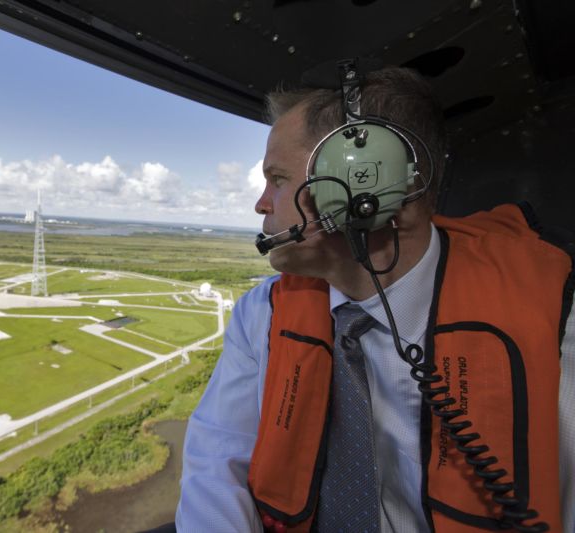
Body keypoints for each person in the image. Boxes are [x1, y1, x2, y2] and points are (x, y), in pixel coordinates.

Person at [175, 66, 574, 532]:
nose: (262, 204)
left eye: (278, 179)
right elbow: (216, 464)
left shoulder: (552, 326)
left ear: (369, 186)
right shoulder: (260, 314)